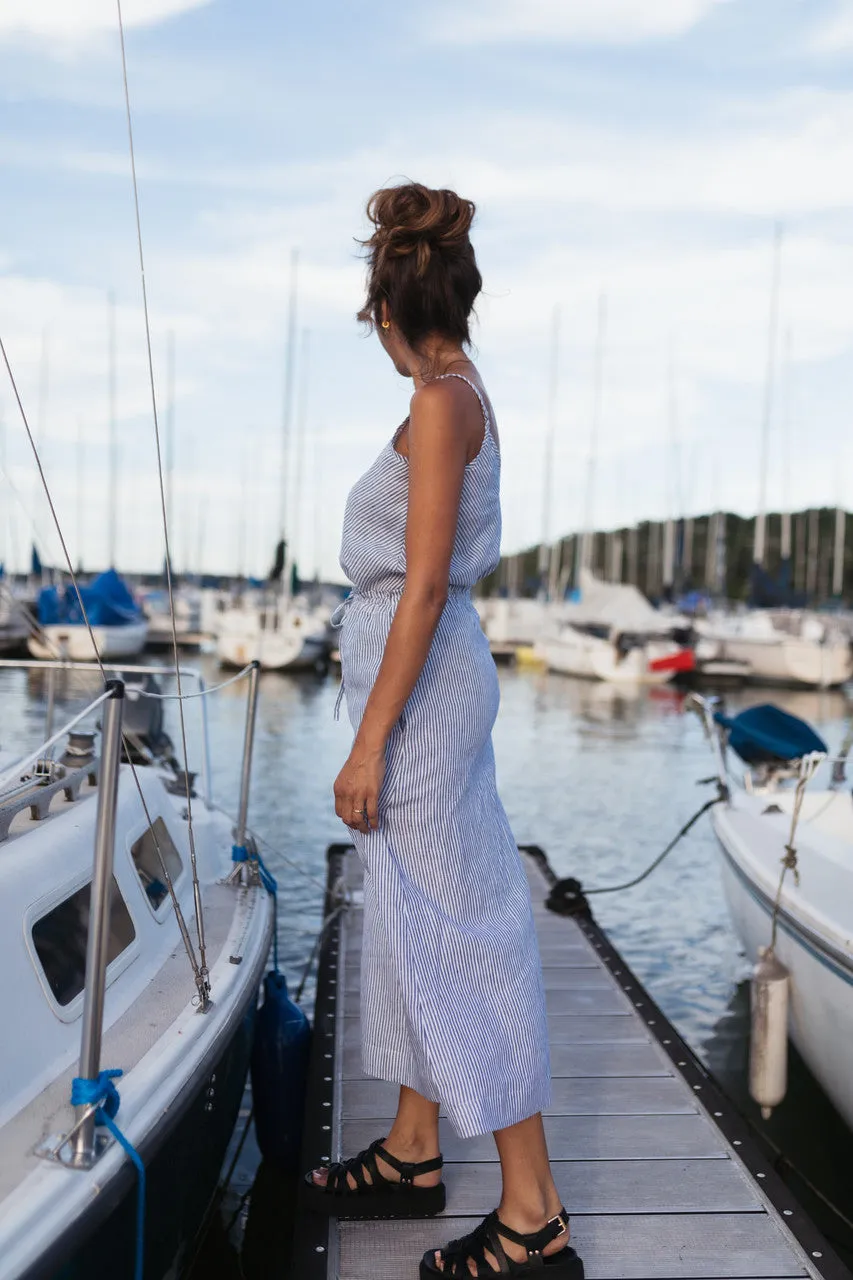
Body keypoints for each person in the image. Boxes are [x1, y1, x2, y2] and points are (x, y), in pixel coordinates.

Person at [302, 182, 583, 1279]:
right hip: (432, 684)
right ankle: (417, 1148)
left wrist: (369, 739)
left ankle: (533, 1213)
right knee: (421, 924)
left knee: (463, 935)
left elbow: (419, 588)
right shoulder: (461, 390)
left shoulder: (436, 402)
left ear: (386, 313)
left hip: (417, 698)